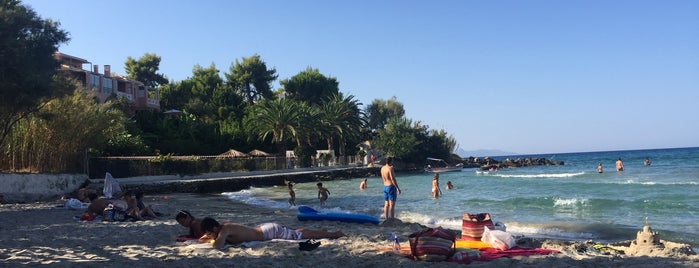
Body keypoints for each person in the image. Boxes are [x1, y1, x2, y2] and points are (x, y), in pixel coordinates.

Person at [199, 217, 345, 250]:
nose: (209, 235)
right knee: (295, 232)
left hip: (269, 232)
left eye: (210, 232)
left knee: (300, 236)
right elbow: (203, 239)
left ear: (215, 228)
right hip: (264, 229)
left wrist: (212, 239)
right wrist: (209, 236)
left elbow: (217, 246)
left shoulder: (225, 230)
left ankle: (333, 234)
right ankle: (322, 232)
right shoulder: (224, 225)